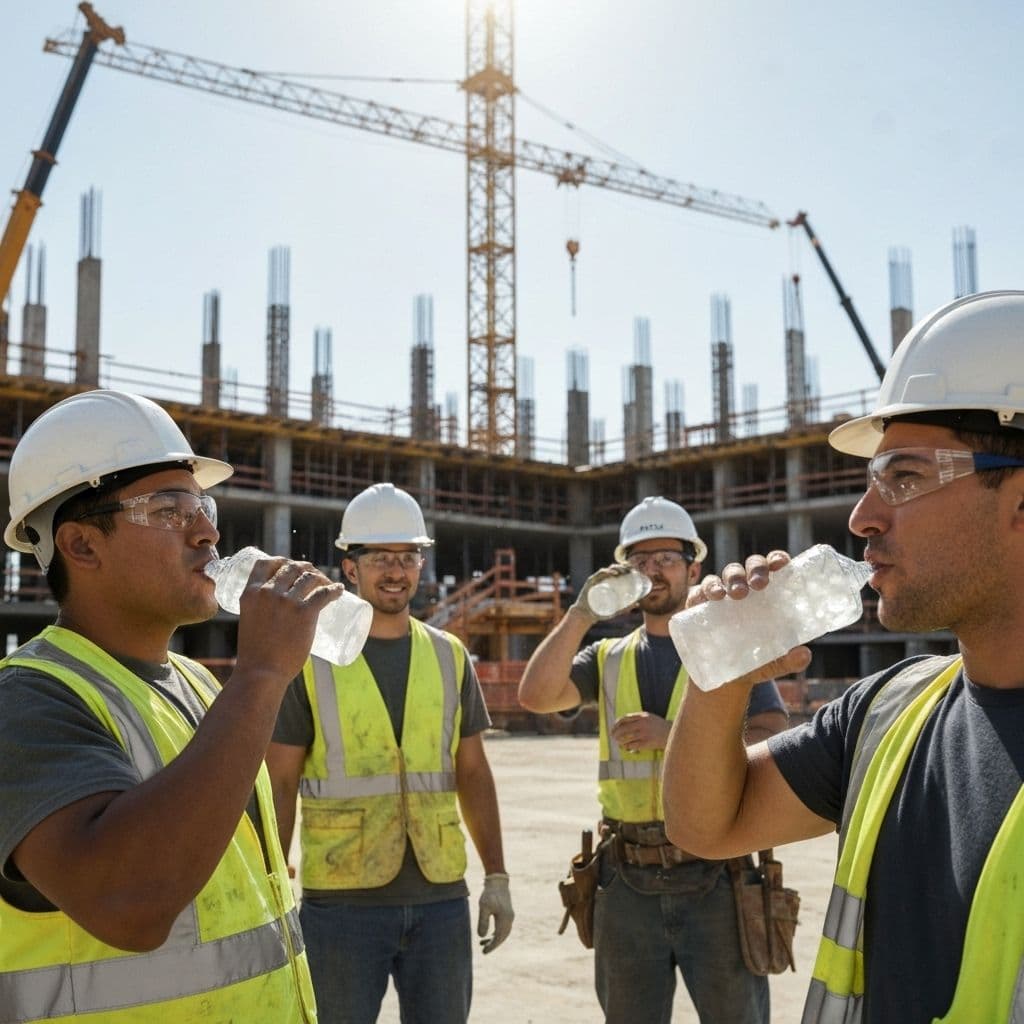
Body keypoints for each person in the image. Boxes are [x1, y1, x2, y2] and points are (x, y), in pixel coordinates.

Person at [662, 289, 1024, 1023]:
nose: (862, 517)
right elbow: (705, 825)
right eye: (872, 480)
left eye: (907, 476)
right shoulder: (890, 712)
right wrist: (722, 673)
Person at [0, 389, 338, 1022]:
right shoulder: (25, 702)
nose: (207, 530)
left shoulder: (200, 686)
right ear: (81, 546)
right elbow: (129, 903)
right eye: (167, 508)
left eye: (201, 505)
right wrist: (263, 672)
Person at [518, 496, 789, 1024]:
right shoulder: (607, 657)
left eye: (666, 558)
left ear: (693, 568)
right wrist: (581, 613)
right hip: (627, 880)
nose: (652, 571)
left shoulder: (729, 645)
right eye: (639, 561)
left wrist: (675, 736)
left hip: (717, 874)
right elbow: (537, 695)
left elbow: (772, 733)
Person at [266, 482, 514, 1024]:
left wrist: (496, 876)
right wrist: (271, 888)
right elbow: (279, 782)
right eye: (380, 558)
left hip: (440, 898)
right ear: (349, 567)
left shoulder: (450, 656)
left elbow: (473, 772)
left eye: (408, 557)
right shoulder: (310, 659)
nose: (396, 571)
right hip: (341, 905)